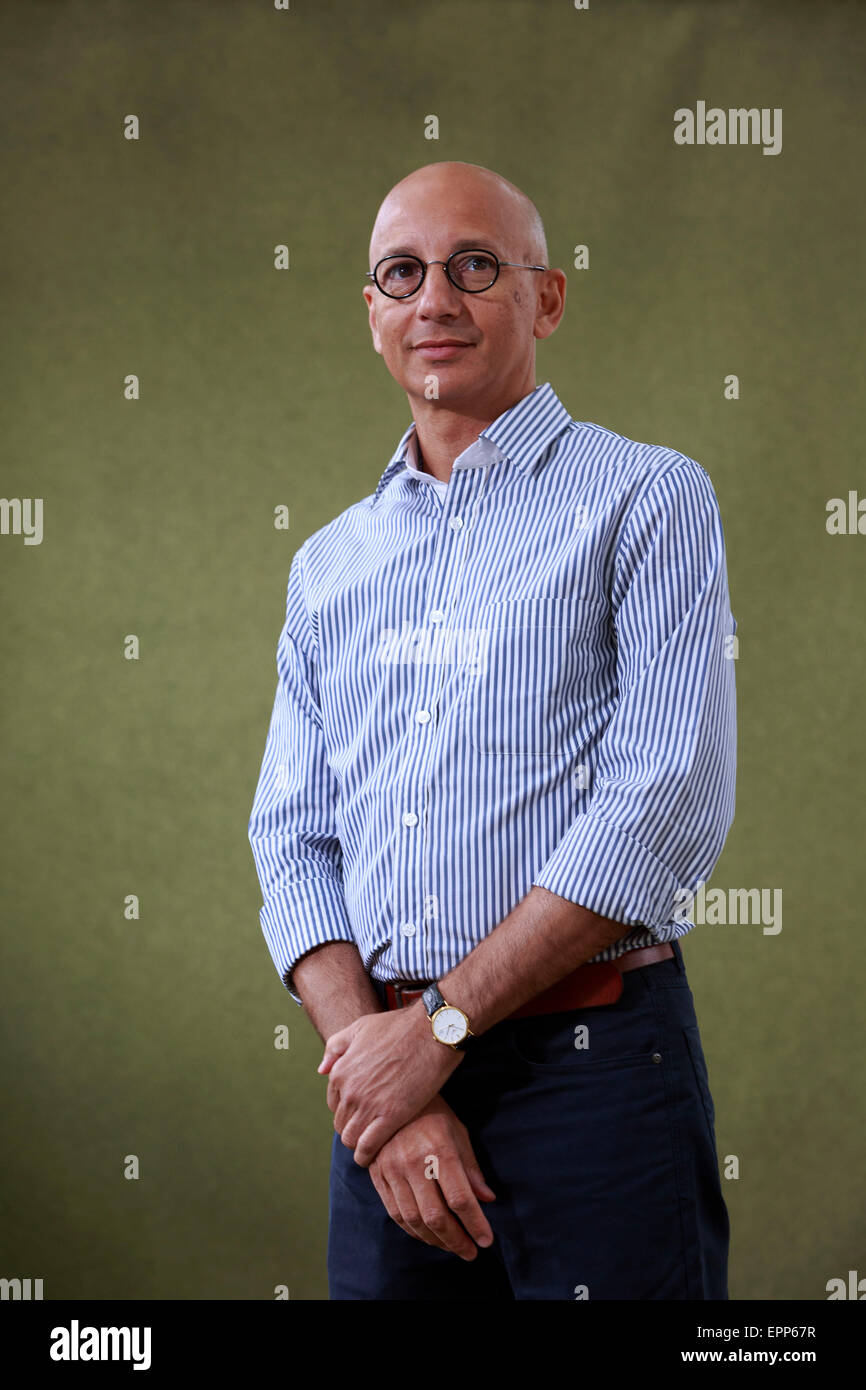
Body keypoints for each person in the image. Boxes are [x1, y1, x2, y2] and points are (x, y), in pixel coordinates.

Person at [248, 160, 737, 1300]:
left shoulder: (646, 498)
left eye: (474, 266)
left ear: (546, 299)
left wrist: (438, 1027)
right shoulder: (325, 566)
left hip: (596, 1072)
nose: (434, 300)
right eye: (400, 274)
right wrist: (397, 1076)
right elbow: (291, 840)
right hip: (381, 1089)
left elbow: (660, 802)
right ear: (370, 312)